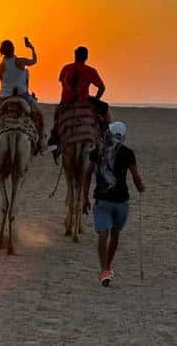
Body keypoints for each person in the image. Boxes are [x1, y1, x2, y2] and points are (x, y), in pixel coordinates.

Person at [82, 121, 145, 286]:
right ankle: (106, 268)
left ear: (108, 134)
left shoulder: (98, 152)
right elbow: (136, 177)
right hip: (121, 202)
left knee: (105, 234)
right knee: (113, 234)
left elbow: (88, 174)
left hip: (104, 200)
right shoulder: (127, 153)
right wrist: (140, 187)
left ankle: (105, 268)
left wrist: (85, 197)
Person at [48, 46, 110, 161]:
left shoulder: (66, 68)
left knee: (57, 116)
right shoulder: (91, 70)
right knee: (105, 108)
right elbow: (102, 88)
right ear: (86, 57)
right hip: (85, 100)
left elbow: (63, 84)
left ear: (74, 56)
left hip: (67, 101)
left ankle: (54, 139)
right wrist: (96, 99)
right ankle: (107, 136)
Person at [0, 38, 45, 154]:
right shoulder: (20, 61)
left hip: (5, 96)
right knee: (39, 114)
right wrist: (32, 48)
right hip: (23, 95)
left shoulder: (0, 66)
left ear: (2, 52)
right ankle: (41, 141)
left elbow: (2, 80)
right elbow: (34, 61)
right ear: (13, 49)